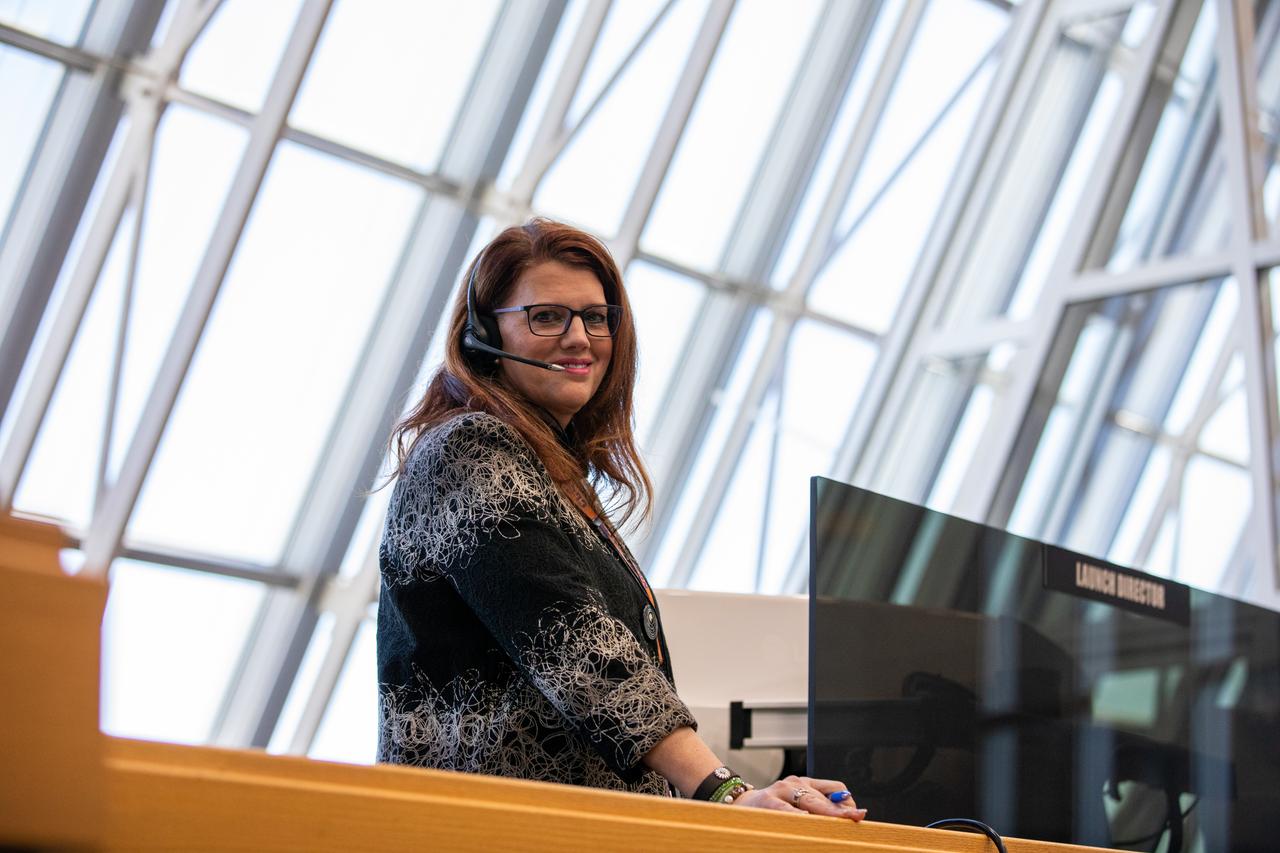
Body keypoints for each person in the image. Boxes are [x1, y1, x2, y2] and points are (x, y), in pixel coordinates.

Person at [376, 218, 866, 818]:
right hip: (490, 828)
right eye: (547, 316)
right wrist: (727, 793)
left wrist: (739, 799)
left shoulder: (555, 475)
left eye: (596, 317)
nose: (580, 338)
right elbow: (573, 641)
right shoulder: (470, 450)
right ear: (483, 332)